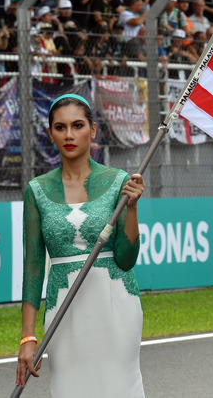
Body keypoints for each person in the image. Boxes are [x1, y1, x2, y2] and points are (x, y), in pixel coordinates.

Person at [16, 94, 145, 397]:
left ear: (93, 129)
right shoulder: (36, 190)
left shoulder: (120, 182)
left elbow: (126, 260)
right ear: (50, 133)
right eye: (60, 127)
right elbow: (33, 267)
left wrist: (133, 207)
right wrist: (27, 337)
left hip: (117, 304)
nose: (69, 135)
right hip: (63, 307)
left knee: (118, 388)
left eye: (78, 125)